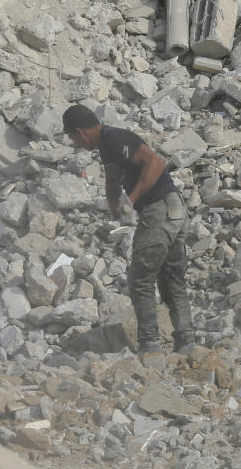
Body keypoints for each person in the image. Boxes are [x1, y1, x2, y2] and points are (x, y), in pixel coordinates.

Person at [61, 104, 194, 356]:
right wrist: (115, 211)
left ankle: (150, 346)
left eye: (71, 138)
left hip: (160, 209)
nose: (75, 144)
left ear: (79, 132)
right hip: (174, 210)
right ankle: (186, 344)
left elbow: (154, 163)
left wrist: (131, 199)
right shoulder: (106, 148)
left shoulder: (114, 138)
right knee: (171, 279)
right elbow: (113, 181)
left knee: (140, 278)